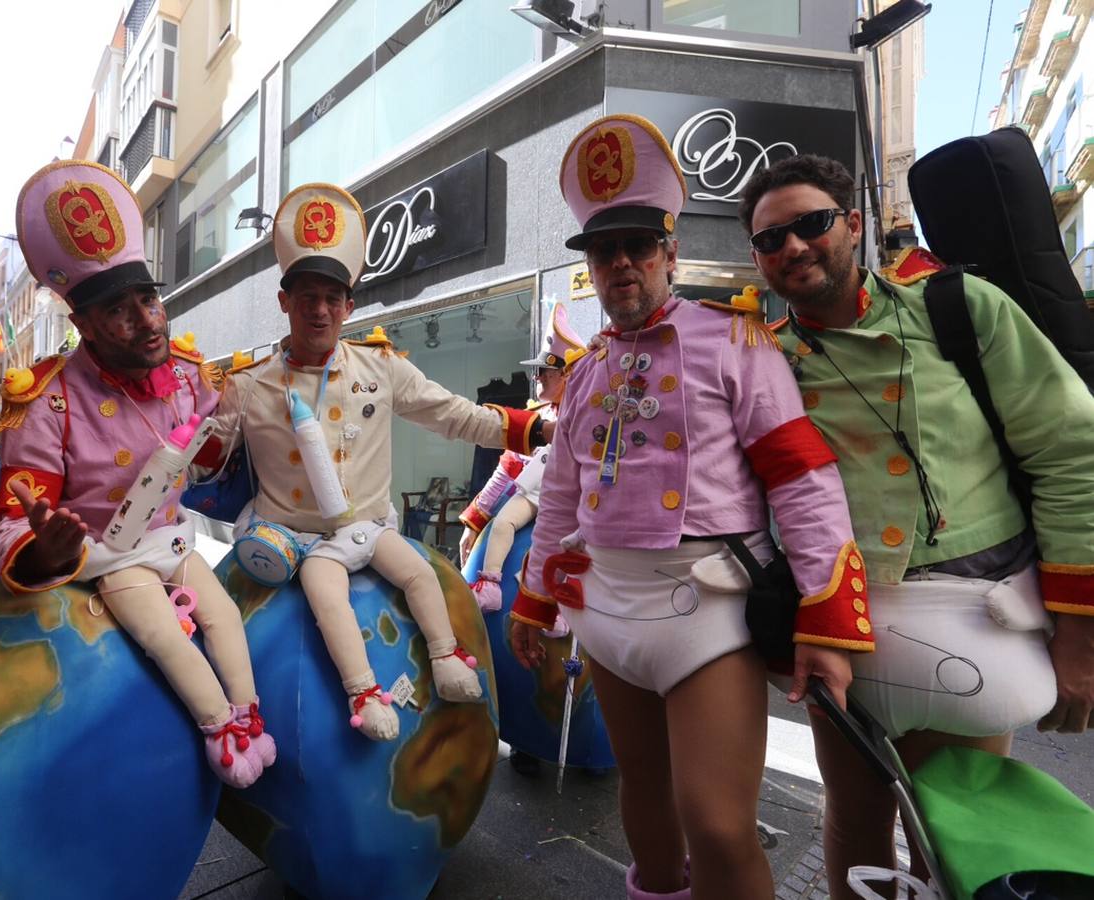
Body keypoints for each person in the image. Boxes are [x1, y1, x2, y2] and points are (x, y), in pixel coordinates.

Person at [508, 115, 874, 900]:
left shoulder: (737, 340)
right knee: (641, 801)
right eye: (604, 253)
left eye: (637, 247)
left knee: (715, 823)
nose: (621, 266)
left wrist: (829, 618)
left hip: (706, 608)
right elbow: (562, 499)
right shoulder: (585, 372)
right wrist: (534, 600)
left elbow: (801, 480)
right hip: (607, 608)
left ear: (670, 253)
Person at [740, 154, 1094, 898]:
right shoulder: (759, 359)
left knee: (959, 828)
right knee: (857, 818)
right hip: (844, 631)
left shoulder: (961, 308)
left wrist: (1079, 632)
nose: (794, 247)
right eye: (772, 240)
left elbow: (1071, 451)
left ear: (856, 225)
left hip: (978, 614)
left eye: (811, 224)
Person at [200, 182, 552, 742]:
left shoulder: (381, 368)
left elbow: (453, 415)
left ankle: (446, 655)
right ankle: (363, 691)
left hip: (371, 528)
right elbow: (205, 467)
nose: (320, 309)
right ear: (283, 300)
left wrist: (536, 427)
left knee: (420, 572)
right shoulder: (246, 386)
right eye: (307, 295)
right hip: (299, 545)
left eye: (332, 297)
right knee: (325, 596)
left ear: (349, 305)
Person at [0, 159, 275, 789]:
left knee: (223, 613)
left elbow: (205, 471)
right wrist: (43, 549)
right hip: (107, 564)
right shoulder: (47, 402)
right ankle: (220, 728)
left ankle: (250, 715)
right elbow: (10, 521)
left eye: (150, 300)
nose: (147, 322)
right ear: (82, 325)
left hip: (171, 544)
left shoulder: (191, 377)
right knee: (165, 637)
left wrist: (227, 435)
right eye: (120, 311)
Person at [460, 301, 586, 624]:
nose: (536, 377)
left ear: (566, 373)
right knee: (505, 524)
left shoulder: (590, 420)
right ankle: (490, 585)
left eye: (543, 371)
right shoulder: (538, 421)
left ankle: (557, 608)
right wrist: (475, 520)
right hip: (532, 498)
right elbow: (507, 470)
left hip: (574, 507)